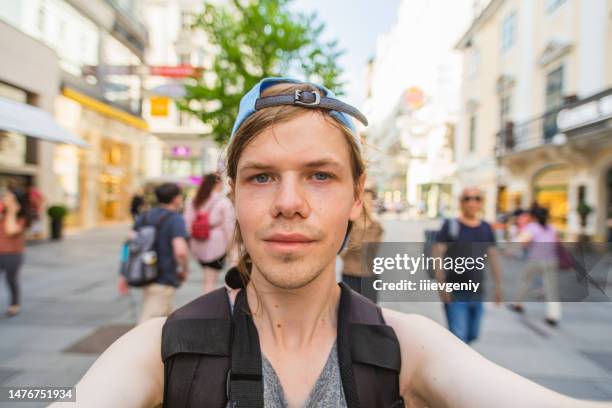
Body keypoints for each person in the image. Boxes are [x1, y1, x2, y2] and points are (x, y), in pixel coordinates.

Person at [60, 78, 609, 407]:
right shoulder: (160, 352)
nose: (289, 201)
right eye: (261, 177)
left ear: (356, 196)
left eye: (320, 175)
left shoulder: (407, 350)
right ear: (233, 195)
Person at [433, 187, 503, 344]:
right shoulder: (450, 226)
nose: (472, 202)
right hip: (455, 291)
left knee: (472, 335)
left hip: (478, 291)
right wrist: (441, 284)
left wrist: (498, 286)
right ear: (461, 202)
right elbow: (437, 254)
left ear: (481, 202)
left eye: (477, 198)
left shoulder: (486, 228)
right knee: (459, 337)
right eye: (467, 199)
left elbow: (493, 257)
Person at [119, 183, 190, 324]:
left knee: (165, 319)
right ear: (175, 199)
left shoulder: (144, 216)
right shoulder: (175, 219)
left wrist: (123, 273)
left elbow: (127, 245)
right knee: (148, 323)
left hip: (145, 273)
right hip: (163, 277)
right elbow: (180, 251)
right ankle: (137, 345)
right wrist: (184, 269)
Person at [509, 206, 562, 326]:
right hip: (551, 260)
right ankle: (553, 315)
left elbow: (522, 241)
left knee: (524, 281)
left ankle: (518, 304)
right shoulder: (551, 228)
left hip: (535, 260)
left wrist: (509, 250)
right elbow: (557, 243)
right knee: (551, 289)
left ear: (533, 217)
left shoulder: (533, 227)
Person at [183, 173, 235, 294]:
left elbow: (187, 224)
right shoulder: (223, 202)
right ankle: (207, 306)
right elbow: (229, 227)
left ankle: (206, 302)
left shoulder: (193, 201)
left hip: (197, 243)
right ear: (217, 183)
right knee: (211, 280)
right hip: (217, 245)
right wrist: (231, 246)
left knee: (207, 277)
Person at [341, 188, 384, 302]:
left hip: (370, 274)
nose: (369, 205)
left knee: (370, 312)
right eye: (366, 202)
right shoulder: (348, 225)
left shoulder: (376, 226)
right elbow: (341, 252)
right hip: (350, 273)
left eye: (371, 202)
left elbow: (372, 250)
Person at [0, 189, 29, 316]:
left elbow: (11, 230)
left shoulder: (22, 217)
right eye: (5, 198)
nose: (6, 200)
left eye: (9, 199)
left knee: (10, 279)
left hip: (12, 254)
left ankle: (14, 304)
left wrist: (12, 212)